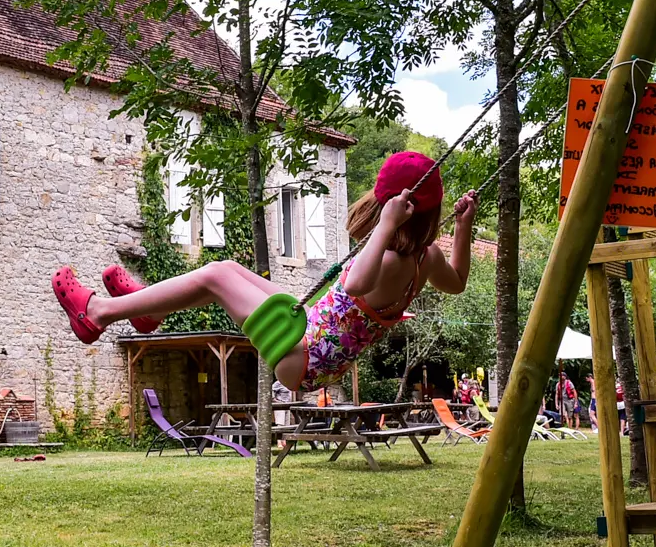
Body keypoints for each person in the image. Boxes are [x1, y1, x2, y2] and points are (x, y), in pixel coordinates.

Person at [53, 151, 476, 391]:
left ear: (393, 208)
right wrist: (463, 227)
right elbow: (456, 282)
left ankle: (99, 313)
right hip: (308, 333)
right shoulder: (427, 257)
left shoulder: (390, 260)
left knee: (215, 279)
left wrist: (384, 225)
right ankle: (144, 310)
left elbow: (358, 283)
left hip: (302, 356)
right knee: (225, 267)